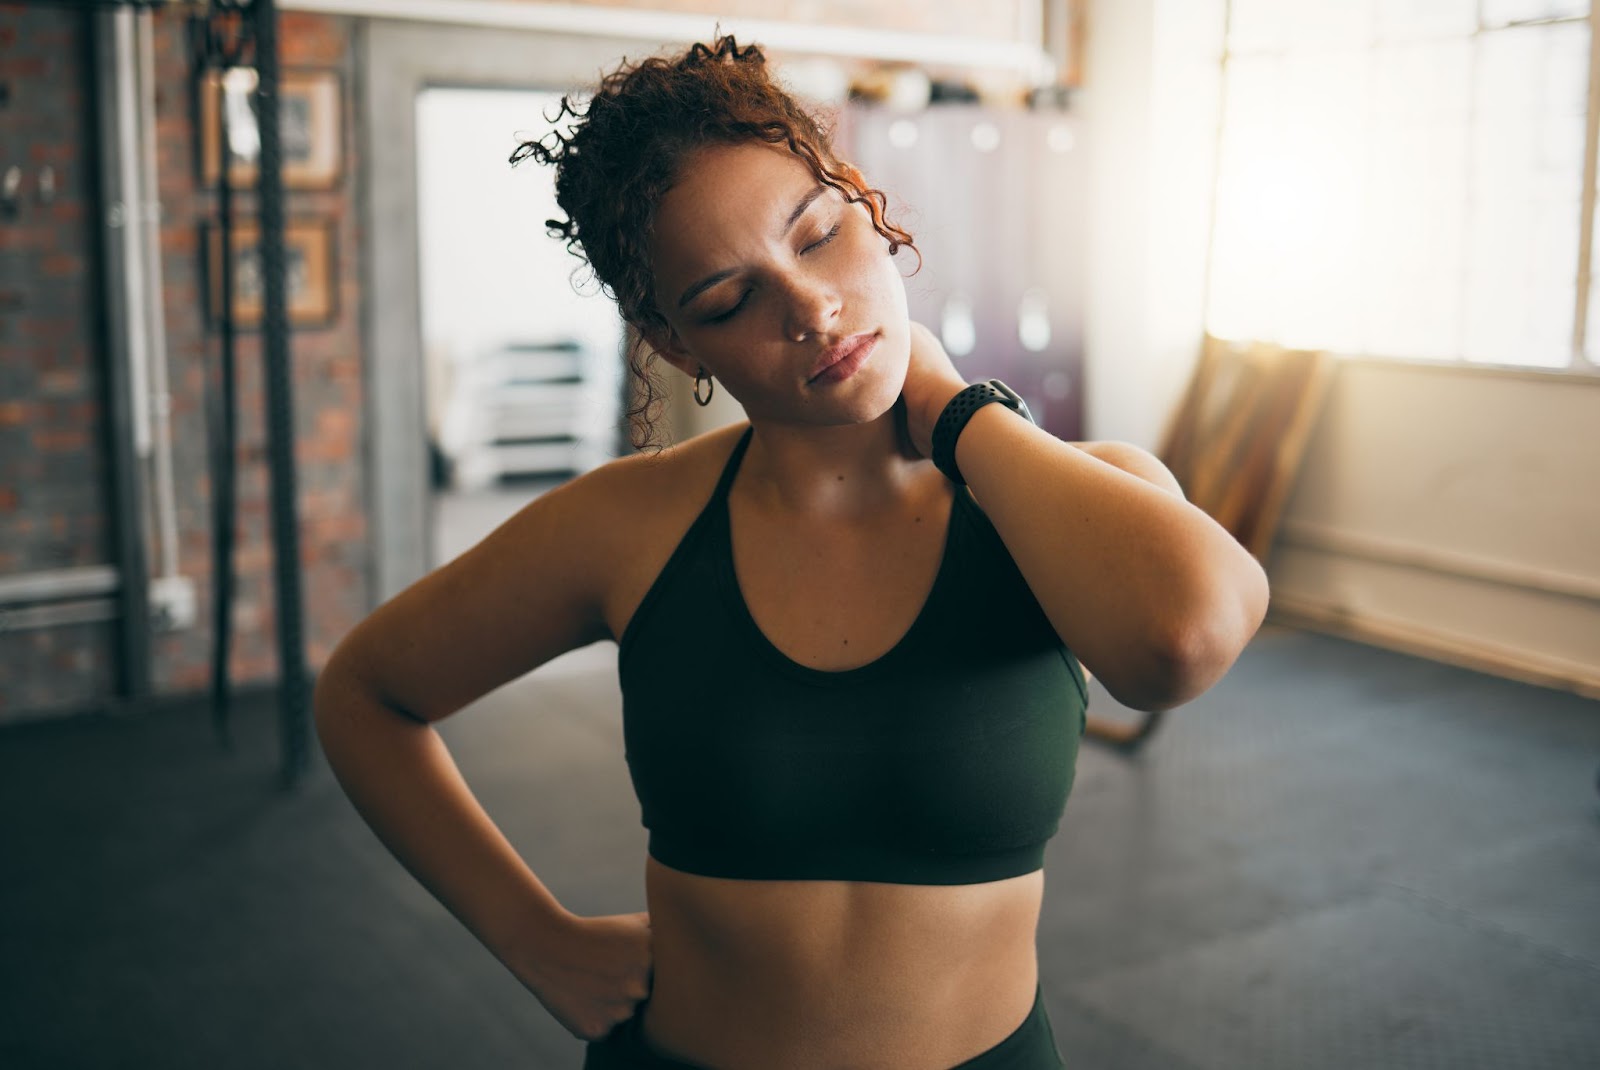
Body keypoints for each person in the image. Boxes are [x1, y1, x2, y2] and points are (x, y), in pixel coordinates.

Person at [313, 34, 1270, 1070]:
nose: (810, 310)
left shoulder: (1068, 495)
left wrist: (956, 412)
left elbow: (1184, 637)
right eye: (730, 300)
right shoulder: (627, 524)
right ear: (678, 344)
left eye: (816, 237)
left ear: (862, 197)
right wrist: (531, 937)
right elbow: (365, 689)